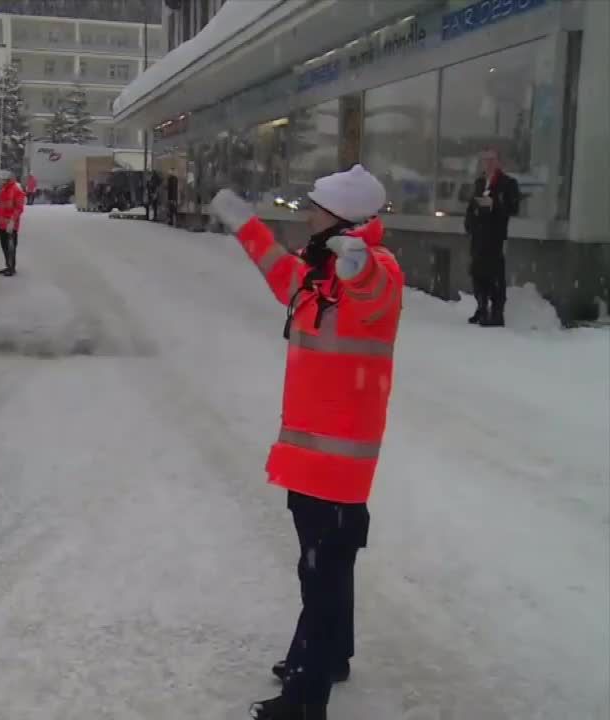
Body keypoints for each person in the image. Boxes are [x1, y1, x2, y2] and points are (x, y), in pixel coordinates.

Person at [210, 164, 404, 720]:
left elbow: (373, 289)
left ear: (341, 218)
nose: (308, 216)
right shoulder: (319, 274)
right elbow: (280, 274)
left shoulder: (374, 270)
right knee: (324, 566)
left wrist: (359, 260)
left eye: (317, 209)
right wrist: (246, 226)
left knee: (322, 572)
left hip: (339, 459)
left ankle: (304, 699)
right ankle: (333, 654)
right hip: (310, 454)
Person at [464, 148, 520, 327]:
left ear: (499, 162)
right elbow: (471, 206)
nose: (488, 164)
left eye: (491, 160)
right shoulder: (480, 182)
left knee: (495, 275)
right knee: (477, 273)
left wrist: (495, 204)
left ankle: (497, 312)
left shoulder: (508, 183)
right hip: (478, 236)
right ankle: (482, 307)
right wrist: (470, 224)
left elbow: (513, 207)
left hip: (495, 237)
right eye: (485, 160)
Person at [0, 172, 26, 276]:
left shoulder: (16, 190)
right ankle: (8, 265)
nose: (2, 182)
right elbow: (0, 206)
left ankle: (11, 267)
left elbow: (19, 208)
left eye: (4, 180)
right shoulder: (4, 189)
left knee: (10, 247)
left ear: (9, 180)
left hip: (10, 225)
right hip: (2, 224)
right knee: (4, 246)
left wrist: (12, 221)